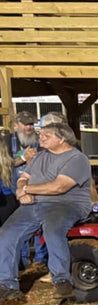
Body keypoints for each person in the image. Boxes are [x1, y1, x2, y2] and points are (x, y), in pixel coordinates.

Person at [0, 122, 92, 305]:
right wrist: (21, 191)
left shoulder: (77, 159)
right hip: (34, 204)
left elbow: (58, 187)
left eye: (46, 135)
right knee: (6, 234)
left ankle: (62, 281)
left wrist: (27, 190)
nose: (40, 138)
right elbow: (23, 178)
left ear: (62, 138)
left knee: (53, 230)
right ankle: (7, 286)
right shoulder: (40, 156)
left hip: (65, 204)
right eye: (40, 134)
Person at [7, 110, 47, 267]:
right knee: (18, 225)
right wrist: (23, 158)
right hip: (11, 191)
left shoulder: (40, 141)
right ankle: (22, 261)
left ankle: (40, 260)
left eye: (31, 124)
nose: (29, 127)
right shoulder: (6, 143)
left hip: (35, 188)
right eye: (26, 124)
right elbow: (5, 164)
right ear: (16, 125)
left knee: (39, 223)